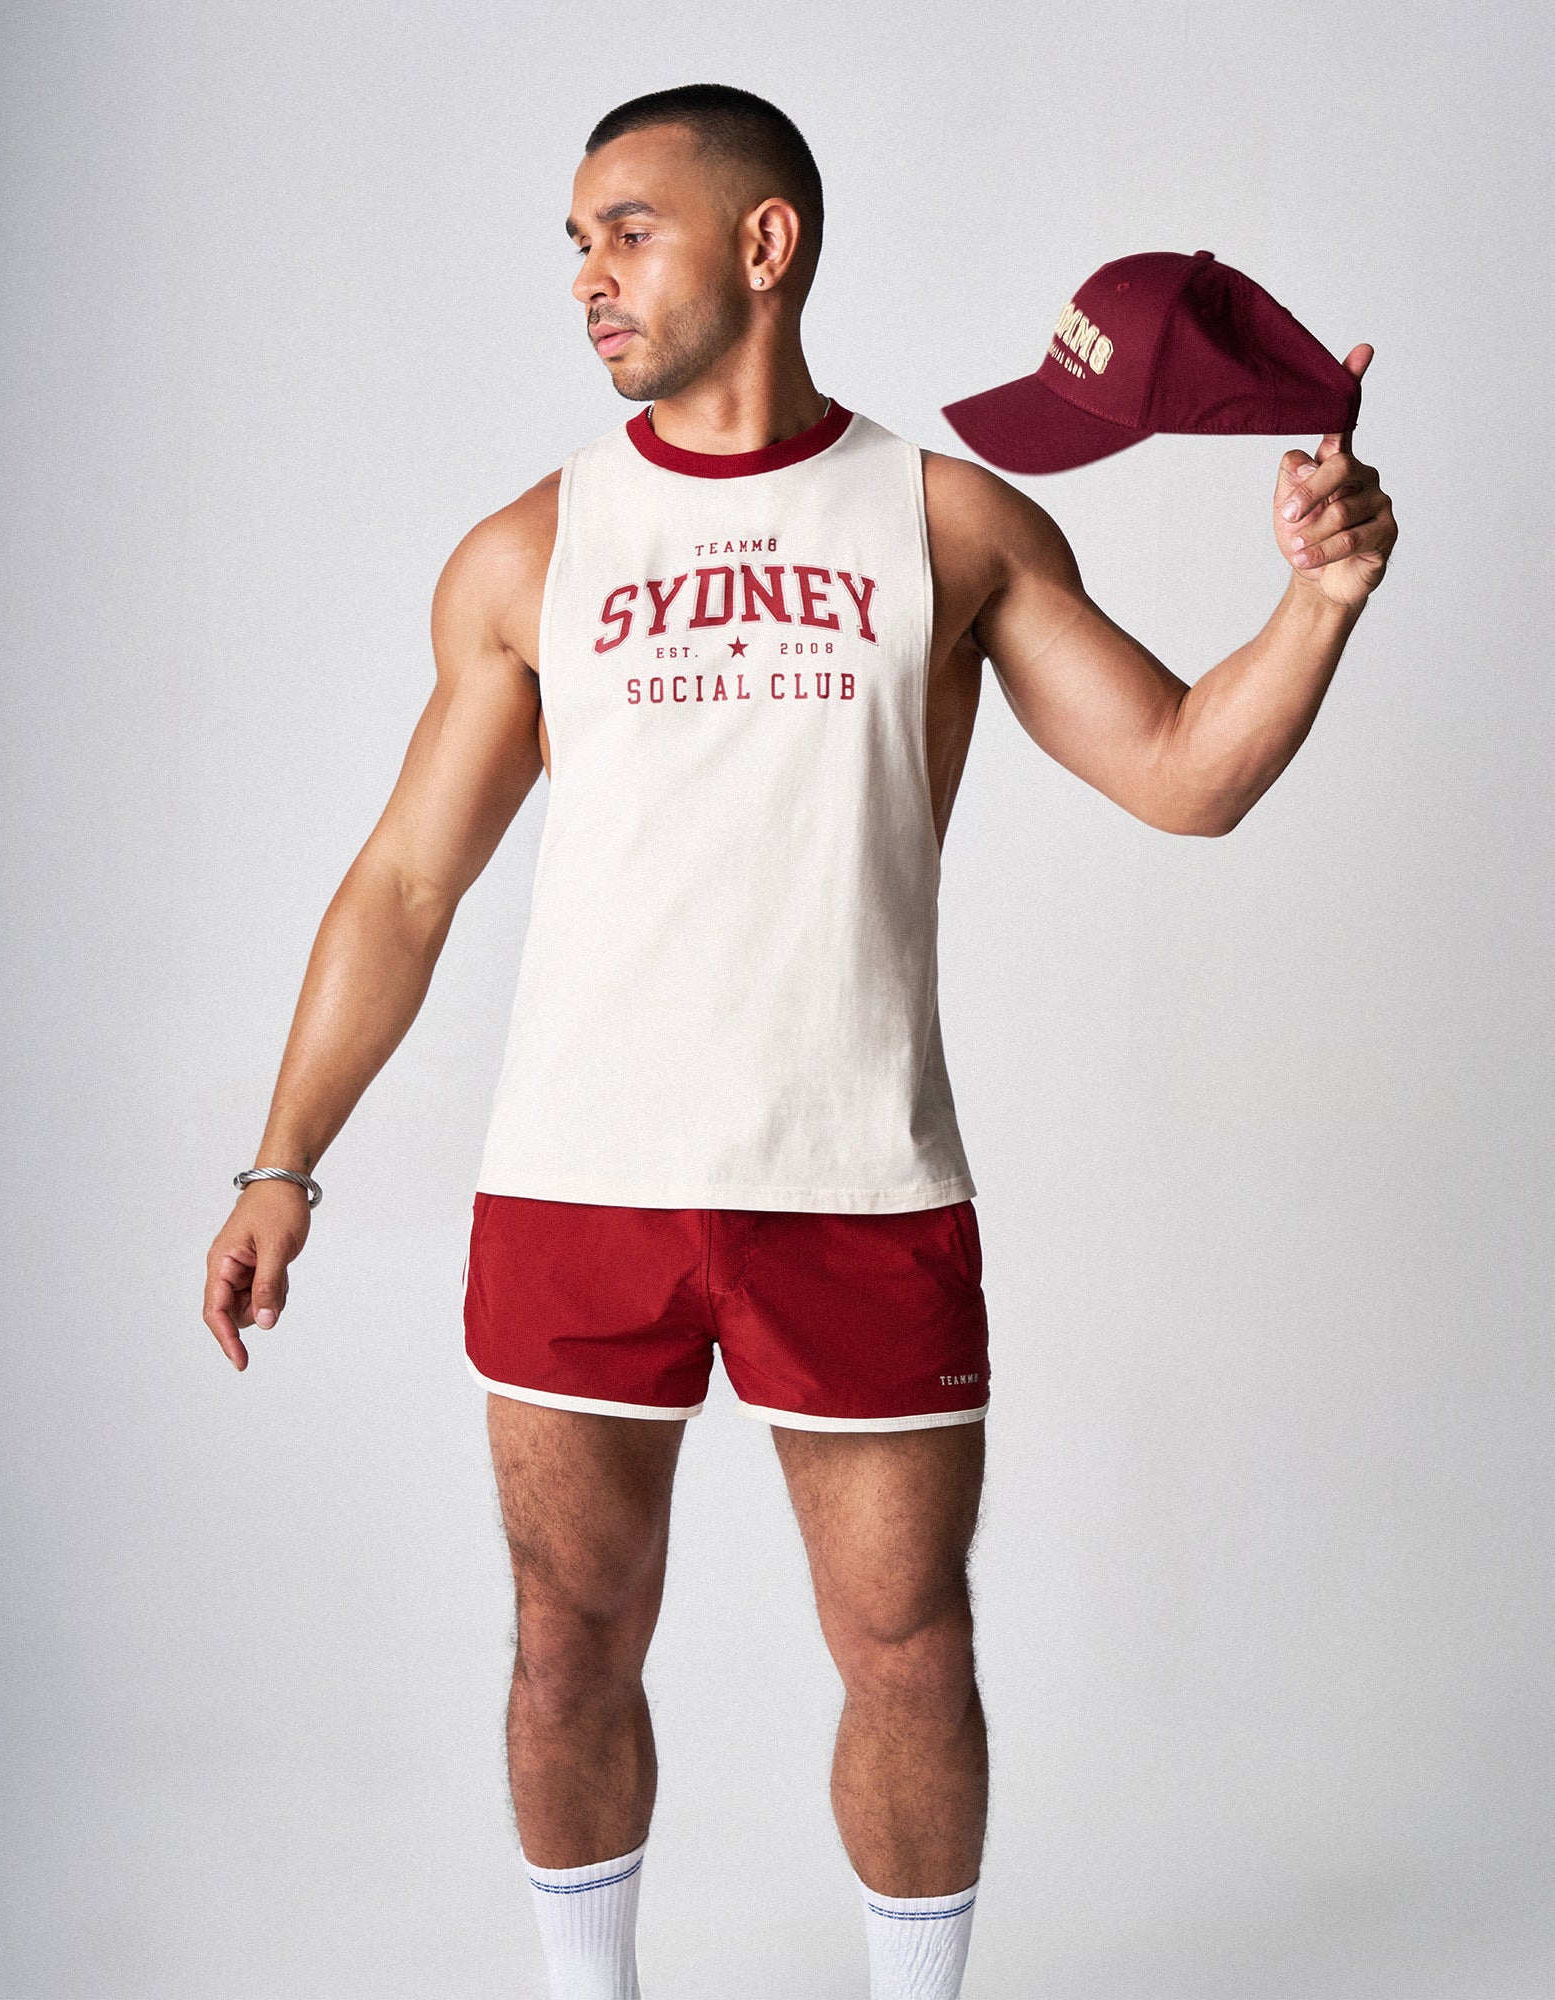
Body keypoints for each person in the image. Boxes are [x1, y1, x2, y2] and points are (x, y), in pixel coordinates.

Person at [203, 83, 1397, 2000]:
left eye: (626, 228)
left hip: (855, 1183)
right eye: (575, 239)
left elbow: (1183, 774)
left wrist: (1319, 600)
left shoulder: (950, 520)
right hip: (577, 1188)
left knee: (910, 1651)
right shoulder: (529, 552)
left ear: (766, 246)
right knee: (563, 1640)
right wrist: (281, 1162)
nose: (586, 274)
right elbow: (405, 887)